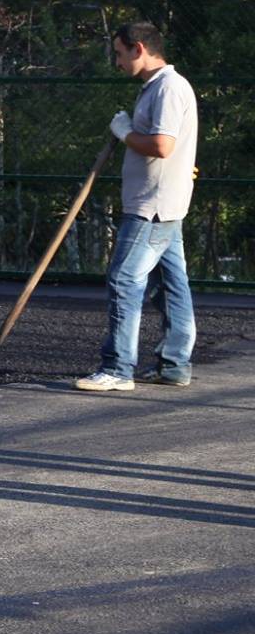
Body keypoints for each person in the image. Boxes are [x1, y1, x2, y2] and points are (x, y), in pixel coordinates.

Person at [77, 21, 199, 392]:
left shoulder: (168, 88)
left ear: (139, 49)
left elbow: (162, 146)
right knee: (170, 286)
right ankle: (173, 365)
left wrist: (124, 132)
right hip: (162, 204)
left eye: (119, 53)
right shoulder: (156, 88)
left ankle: (117, 368)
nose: (117, 62)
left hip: (152, 208)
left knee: (123, 280)